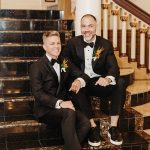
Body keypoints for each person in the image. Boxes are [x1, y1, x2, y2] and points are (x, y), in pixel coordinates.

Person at [62, 14, 127, 146]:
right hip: (82, 81)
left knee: (120, 83)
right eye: (83, 26)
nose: (87, 30)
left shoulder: (105, 44)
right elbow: (64, 61)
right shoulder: (72, 43)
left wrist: (108, 79)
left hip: (98, 82)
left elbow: (114, 68)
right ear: (80, 27)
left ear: (96, 26)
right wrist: (79, 78)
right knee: (75, 87)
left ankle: (113, 127)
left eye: (90, 26)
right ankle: (92, 127)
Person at [29, 31, 91, 150]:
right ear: (44, 47)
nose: (56, 46)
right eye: (52, 43)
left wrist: (78, 81)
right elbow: (38, 94)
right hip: (45, 109)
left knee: (85, 123)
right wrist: (60, 103)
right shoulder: (36, 67)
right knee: (69, 112)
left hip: (63, 107)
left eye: (58, 43)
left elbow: (83, 75)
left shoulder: (64, 62)